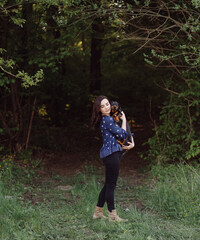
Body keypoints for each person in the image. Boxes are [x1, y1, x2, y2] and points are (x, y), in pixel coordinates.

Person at [91, 95, 135, 222]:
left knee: (108, 185)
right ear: (99, 109)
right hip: (111, 156)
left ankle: (98, 212)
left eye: (107, 104)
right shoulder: (108, 120)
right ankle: (113, 216)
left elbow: (121, 138)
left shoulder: (107, 120)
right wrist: (124, 118)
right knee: (111, 185)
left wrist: (131, 144)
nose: (106, 107)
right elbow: (122, 134)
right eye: (102, 106)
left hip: (110, 154)